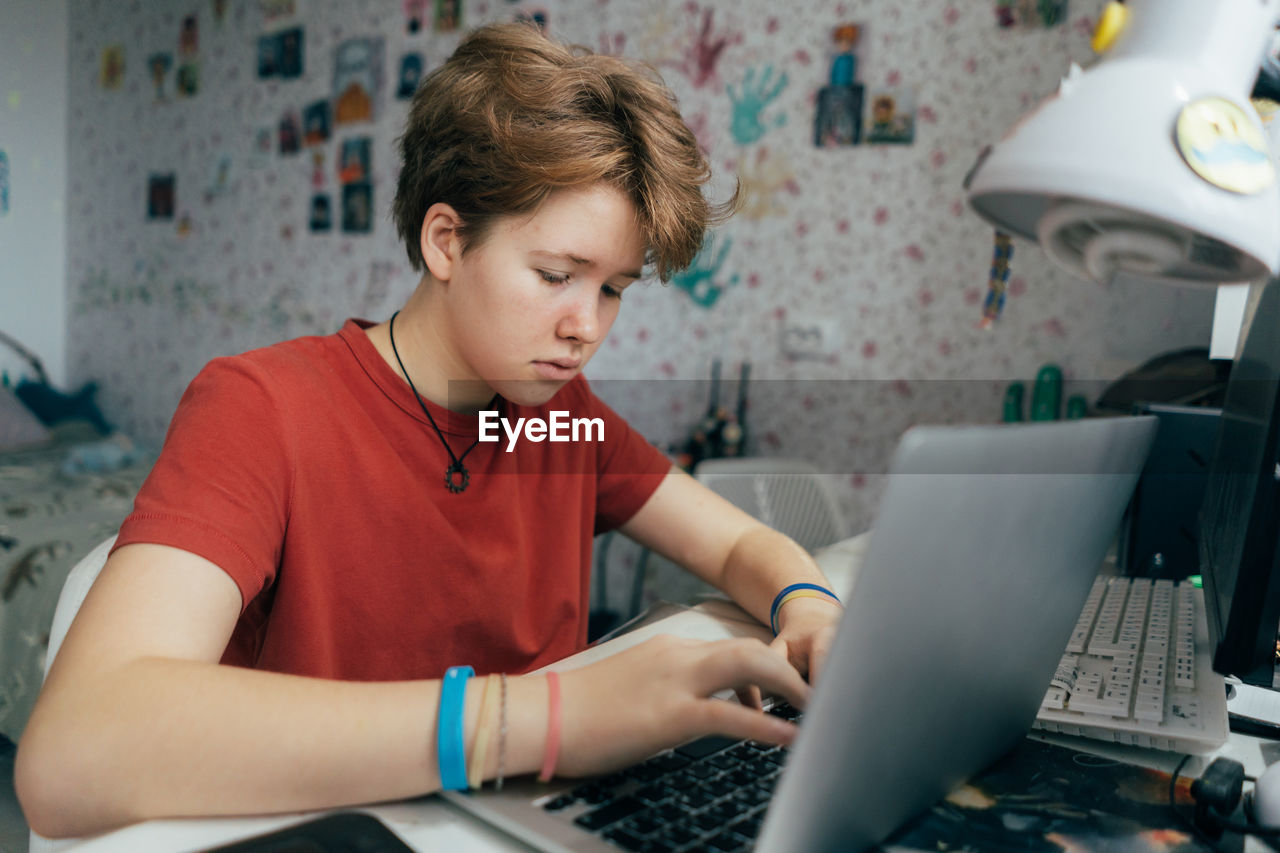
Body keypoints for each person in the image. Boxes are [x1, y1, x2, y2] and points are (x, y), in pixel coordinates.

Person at [16, 22, 843, 839]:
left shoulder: (561, 416)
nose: (585, 326)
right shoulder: (263, 407)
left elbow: (738, 547)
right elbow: (73, 754)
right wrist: (541, 718)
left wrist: (805, 601)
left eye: (615, 289)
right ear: (445, 240)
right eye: (556, 275)